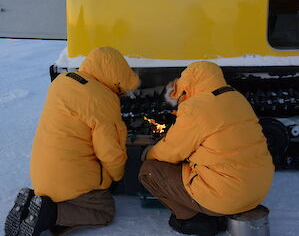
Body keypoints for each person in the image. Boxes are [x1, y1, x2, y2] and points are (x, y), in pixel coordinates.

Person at [5, 47, 140, 236]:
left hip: (42, 176)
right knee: (103, 211)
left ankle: (34, 204)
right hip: (72, 180)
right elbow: (109, 153)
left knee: (68, 185)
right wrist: (116, 177)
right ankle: (50, 214)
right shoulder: (103, 99)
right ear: (116, 75)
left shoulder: (64, 81)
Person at [139, 61, 274, 236]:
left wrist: (148, 153)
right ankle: (217, 207)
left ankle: (193, 220)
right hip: (258, 190)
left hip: (226, 197)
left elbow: (171, 152)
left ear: (189, 84)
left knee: (149, 170)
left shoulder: (196, 107)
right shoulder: (237, 98)